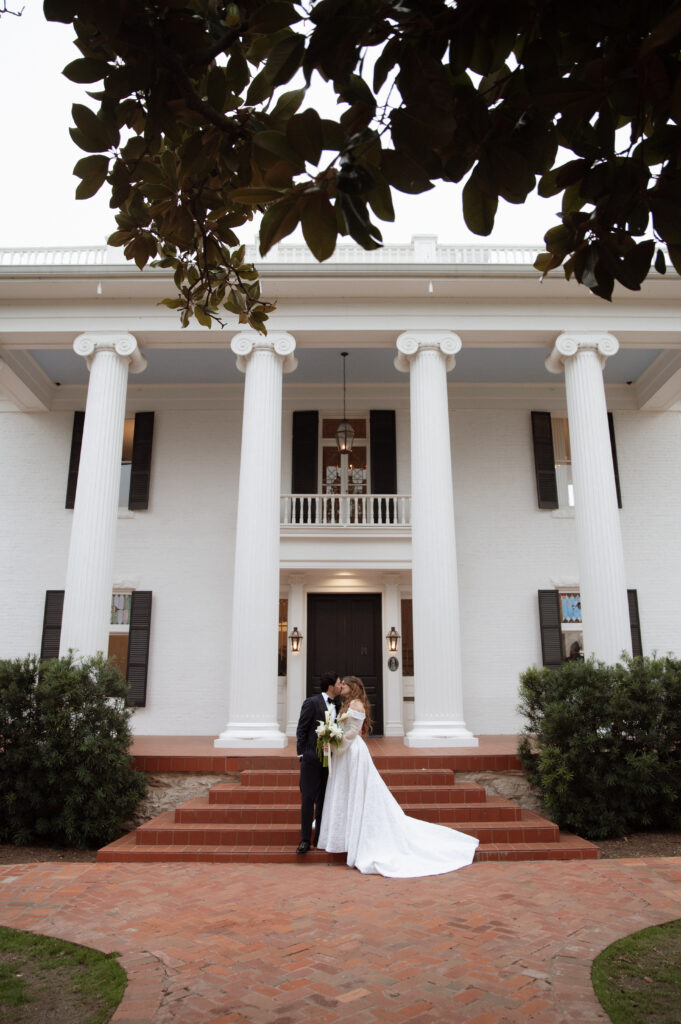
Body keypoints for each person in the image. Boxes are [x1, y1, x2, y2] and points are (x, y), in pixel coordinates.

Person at [318, 676, 479, 877]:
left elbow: (351, 733)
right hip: (346, 752)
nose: (340, 686)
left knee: (356, 789)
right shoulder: (348, 703)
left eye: (343, 684)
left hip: (351, 751)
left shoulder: (357, 704)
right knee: (346, 790)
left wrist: (336, 745)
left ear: (352, 687)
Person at [295, 671, 341, 854]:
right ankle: (305, 839)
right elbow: (302, 729)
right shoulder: (311, 703)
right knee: (307, 798)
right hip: (311, 759)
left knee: (324, 799)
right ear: (330, 686)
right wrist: (302, 754)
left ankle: (319, 837)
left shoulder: (339, 705)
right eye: (339, 683)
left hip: (329, 761)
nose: (340, 685)